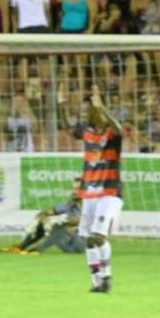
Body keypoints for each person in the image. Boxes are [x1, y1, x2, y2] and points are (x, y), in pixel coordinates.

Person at [59, 88, 124, 294]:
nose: (86, 113)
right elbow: (68, 128)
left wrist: (102, 107)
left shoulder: (112, 134)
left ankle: (107, 277)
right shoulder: (86, 131)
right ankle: (97, 282)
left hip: (109, 191)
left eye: (89, 109)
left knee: (98, 236)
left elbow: (120, 129)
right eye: (85, 110)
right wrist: (61, 104)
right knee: (88, 239)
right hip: (89, 192)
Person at [2, 179, 86, 255]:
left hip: (84, 245)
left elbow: (79, 220)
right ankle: (21, 247)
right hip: (68, 244)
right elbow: (49, 211)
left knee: (60, 224)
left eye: (77, 189)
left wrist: (56, 219)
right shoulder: (70, 203)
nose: (74, 191)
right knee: (47, 222)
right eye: (73, 188)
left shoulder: (91, 204)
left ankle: (38, 249)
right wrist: (40, 218)